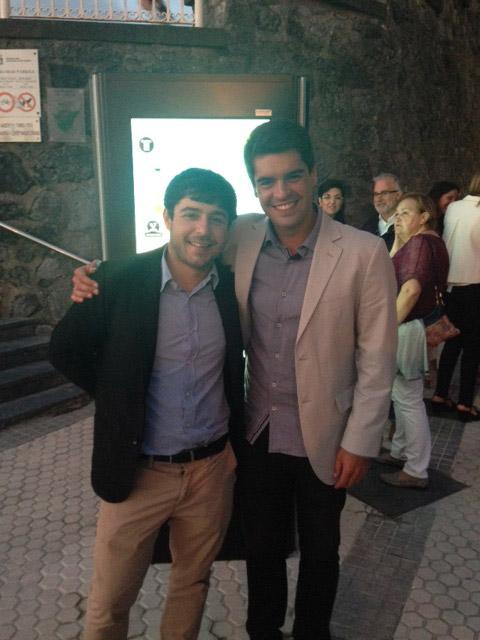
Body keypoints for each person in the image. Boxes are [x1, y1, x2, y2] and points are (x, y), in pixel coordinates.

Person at [70, 120, 398, 640]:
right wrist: (98, 275)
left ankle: (313, 632)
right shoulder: (240, 234)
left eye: (292, 176)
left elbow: (378, 358)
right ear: (254, 186)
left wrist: (361, 441)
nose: (281, 191)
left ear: (313, 176)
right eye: (266, 182)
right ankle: (263, 631)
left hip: (329, 435)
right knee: (261, 547)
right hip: (256, 431)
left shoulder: (362, 252)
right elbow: (179, 253)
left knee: (320, 548)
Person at [49, 168, 244, 640]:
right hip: (139, 473)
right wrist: (119, 395)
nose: (203, 229)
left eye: (217, 219)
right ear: (167, 217)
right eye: (191, 215)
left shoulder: (229, 288)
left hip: (210, 471)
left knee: (192, 582)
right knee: (110, 601)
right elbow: (65, 349)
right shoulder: (118, 279)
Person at [378, 194, 449, 489]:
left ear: (424, 216)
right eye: (397, 213)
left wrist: (384, 333)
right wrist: (397, 236)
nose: (398, 217)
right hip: (411, 328)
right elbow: (392, 265)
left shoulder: (421, 244)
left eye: (406, 213)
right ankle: (400, 451)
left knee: (408, 400)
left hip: (406, 329)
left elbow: (409, 292)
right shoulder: (425, 243)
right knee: (402, 395)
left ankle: (416, 469)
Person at [431, 171, 480, 422]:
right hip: (474, 286)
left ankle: (440, 395)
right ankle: (463, 404)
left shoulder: (454, 208)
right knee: (473, 348)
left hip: (450, 286)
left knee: (452, 342)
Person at [362, 173, 403, 250]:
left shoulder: (407, 225)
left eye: (384, 193)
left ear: (398, 195)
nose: (379, 199)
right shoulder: (367, 226)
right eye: (376, 194)